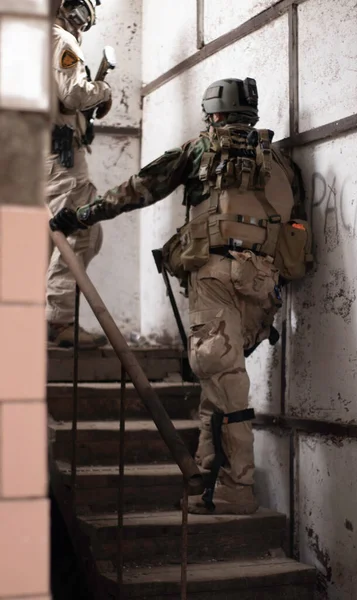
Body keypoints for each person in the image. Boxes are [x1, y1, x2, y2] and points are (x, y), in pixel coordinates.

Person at [49, 78, 312, 513]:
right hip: (263, 285)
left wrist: (80, 216)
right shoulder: (281, 162)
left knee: (223, 380)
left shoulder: (200, 149)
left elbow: (137, 189)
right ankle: (208, 478)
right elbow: (295, 234)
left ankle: (236, 487)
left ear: (213, 112)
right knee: (221, 380)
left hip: (215, 278)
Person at [47, 0, 112, 348]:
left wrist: (83, 122)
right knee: (81, 230)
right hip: (59, 152)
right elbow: (73, 93)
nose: (82, 23)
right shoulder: (61, 40)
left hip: (36, 148)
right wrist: (103, 90)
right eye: (81, 13)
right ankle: (59, 321)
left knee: (50, 237)